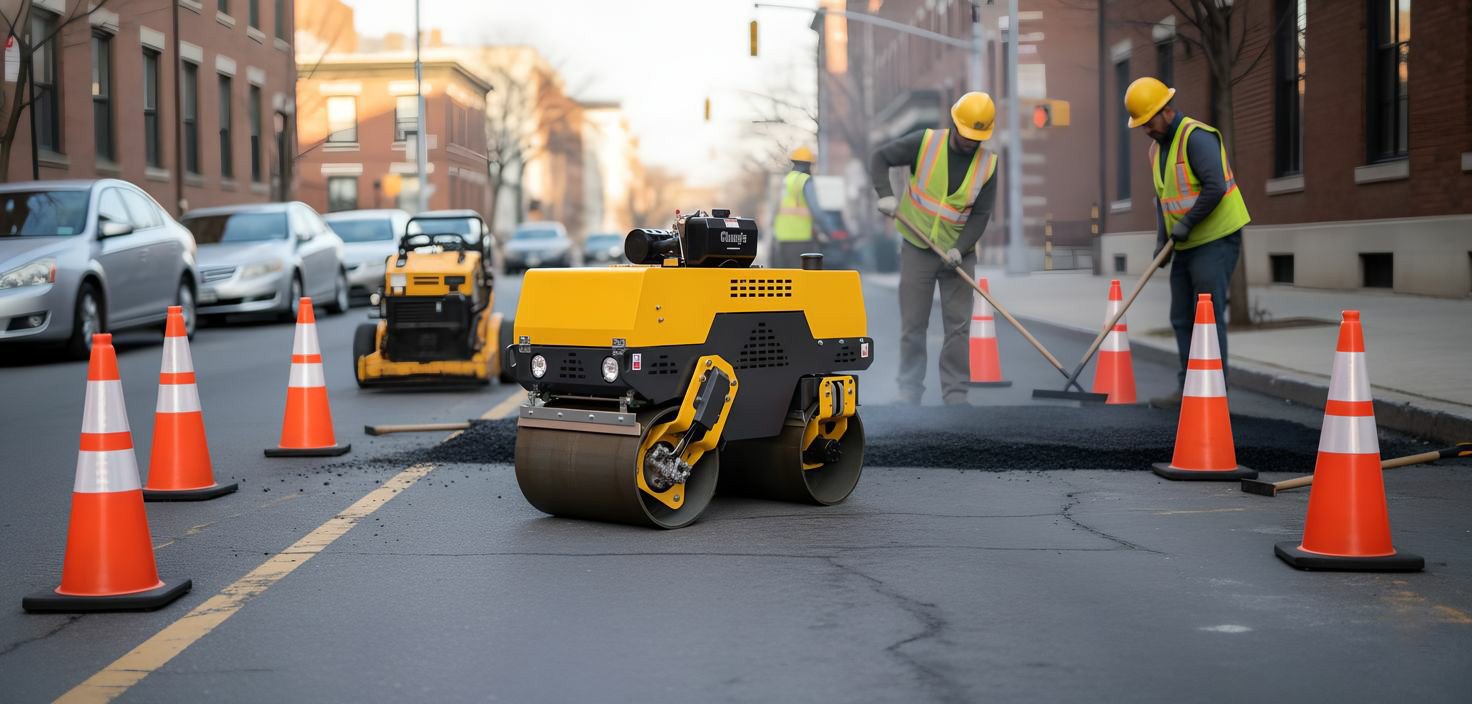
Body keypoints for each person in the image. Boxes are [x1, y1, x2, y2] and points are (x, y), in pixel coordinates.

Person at [1123, 77, 1251, 406]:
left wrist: (1187, 224)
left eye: (1148, 121)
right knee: (1181, 316)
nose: (1146, 130)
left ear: (1166, 111)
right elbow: (1165, 200)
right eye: (1141, 125)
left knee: (1205, 316)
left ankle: (1213, 392)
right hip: (1185, 242)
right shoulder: (1156, 150)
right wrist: (1162, 240)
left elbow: (1215, 188)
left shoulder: (1196, 137)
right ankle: (1187, 389)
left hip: (1216, 238)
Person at [868, 92, 999, 406]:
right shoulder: (924, 143)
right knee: (913, 325)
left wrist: (961, 248)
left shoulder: (988, 165)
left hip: (958, 255)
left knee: (958, 327)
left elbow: (980, 214)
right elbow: (880, 158)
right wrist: (885, 194)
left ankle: (956, 394)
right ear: (954, 123)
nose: (970, 143)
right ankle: (909, 391)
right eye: (966, 135)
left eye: (976, 138)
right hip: (918, 247)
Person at [770, 147, 835, 269]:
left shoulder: (787, 179)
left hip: (783, 236)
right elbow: (815, 210)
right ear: (808, 164)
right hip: (800, 238)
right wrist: (828, 231)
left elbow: (776, 208)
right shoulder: (805, 180)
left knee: (787, 276)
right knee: (800, 276)